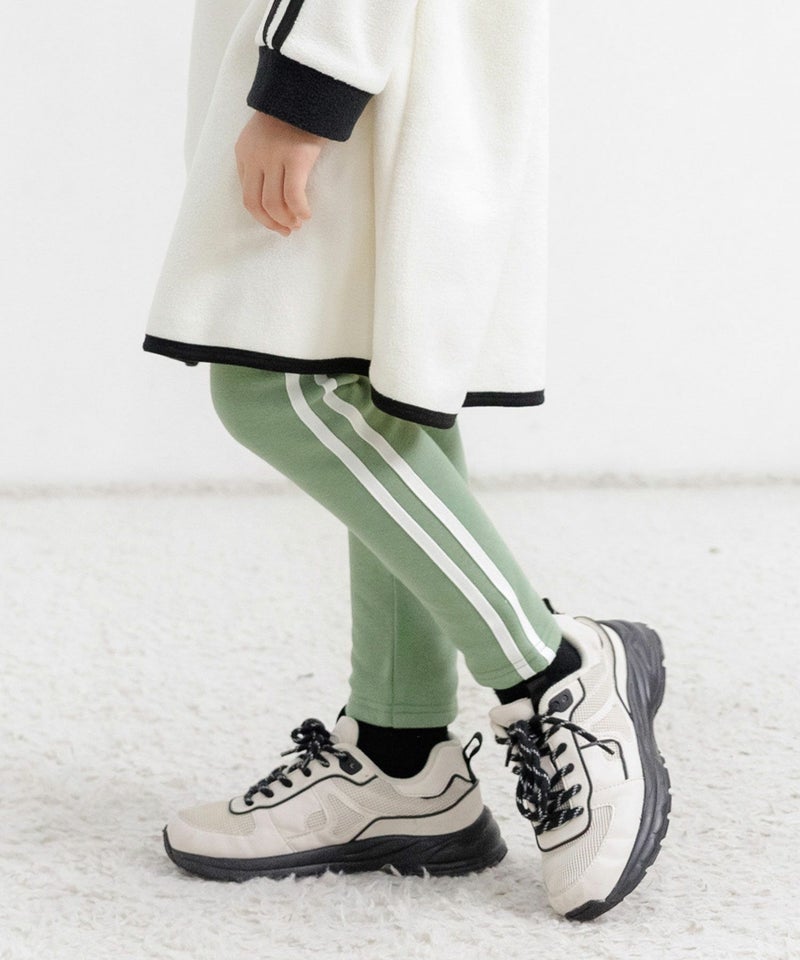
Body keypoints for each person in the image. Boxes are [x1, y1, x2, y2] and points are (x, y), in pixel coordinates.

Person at [146, 0, 671, 921]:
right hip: (377, 47)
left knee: (281, 389)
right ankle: (403, 758)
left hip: (346, 47)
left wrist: (304, 86)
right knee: (371, 381)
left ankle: (552, 671)